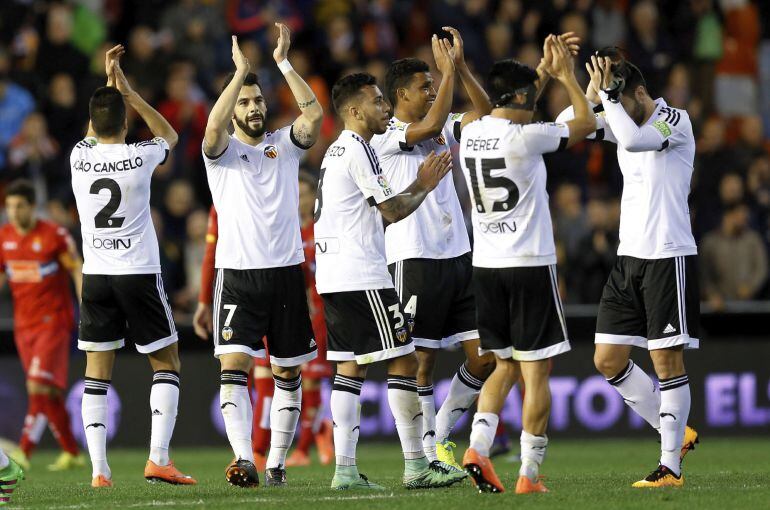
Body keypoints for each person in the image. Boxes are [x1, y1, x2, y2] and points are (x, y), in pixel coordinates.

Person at [314, 71, 466, 490]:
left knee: (350, 367)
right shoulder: (359, 150)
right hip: (362, 273)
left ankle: (345, 470)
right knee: (405, 361)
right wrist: (423, 182)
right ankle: (417, 466)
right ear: (355, 110)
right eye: (378, 101)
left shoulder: (335, 150)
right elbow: (393, 211)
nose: (385, 108)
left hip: (331, 273)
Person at [556, 48, 700, 487]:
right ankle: (676, 432)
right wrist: (589, 90)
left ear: (639, 91)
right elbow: (569, 122)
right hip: (629, 258)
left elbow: (636, 140)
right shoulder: (623, 117)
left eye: (619, 96)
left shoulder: (673, 121)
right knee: (607, 358)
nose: (613, 105)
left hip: (667, 253)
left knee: (665, 359)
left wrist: (611, 100)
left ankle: (670, 466)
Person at [460, 36, 596, 494]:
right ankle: (529, 476)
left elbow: (511, 104)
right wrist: (565, 77)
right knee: (536, 373)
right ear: (521, 99)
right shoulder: (527, 137)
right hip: (529, 264)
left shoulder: (471, 130)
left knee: (503, 367)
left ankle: (478, 448)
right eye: (531, 97)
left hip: (487, 266)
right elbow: (585, 121)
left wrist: (537, 71)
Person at [201, 24, 323, 487]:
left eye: (257, 101)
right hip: (238, 276)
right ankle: (243, 458)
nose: (253, 108)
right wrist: (240, 75)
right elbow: (213, 126)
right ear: (235, 109)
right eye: (245, 103)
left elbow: (313, 114)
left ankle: (276, 464)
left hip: (287, 274)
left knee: (287, 371)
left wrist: (284, 64)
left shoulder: (284, 146)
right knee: (234, 365)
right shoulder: (221, 154)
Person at [70, 45, 195, 488]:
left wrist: (109, 88)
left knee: (96, 371)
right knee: (167, 362)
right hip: (138, 272)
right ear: (125, 122)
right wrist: (131, 93)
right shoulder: (141, 157)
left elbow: (98, 124)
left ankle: (99, 471)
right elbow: (170, 136)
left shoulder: (78, 158)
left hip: (97, 275)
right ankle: (157, 459)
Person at [369, 27, 494, 470]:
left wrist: (459, 69)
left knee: (487, 356)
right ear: (400, 94)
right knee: (419, 361)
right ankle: (422, 456)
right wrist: (447, 74)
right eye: (426, 86)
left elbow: (487, 114)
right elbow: (435, 123)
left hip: (458, 255)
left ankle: (439, 436)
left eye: (434, 85)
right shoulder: (387, 134)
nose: (434, 90)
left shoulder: (439, 128)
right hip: (413, 258)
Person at [0, 179, 83, 472]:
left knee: (36, 385)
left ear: (32, 207)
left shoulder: (54, 236)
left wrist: (86, 306)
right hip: (24, 326)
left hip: (54, 321)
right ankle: (72, 452)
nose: (13, 212)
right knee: (48, 392)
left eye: (19, 206)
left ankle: (24, 451)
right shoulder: (4, 238)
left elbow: (76, 269)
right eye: (9, 206)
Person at [286, 171, 334, 467]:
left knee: (313, 381)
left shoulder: (323, 228)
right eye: (297, 194)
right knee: (301, 380)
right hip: (298, 315)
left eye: (305, 194)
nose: (301, 199)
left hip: (325, 313)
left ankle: (303, 449)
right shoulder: (289, 230)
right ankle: (320, 430)